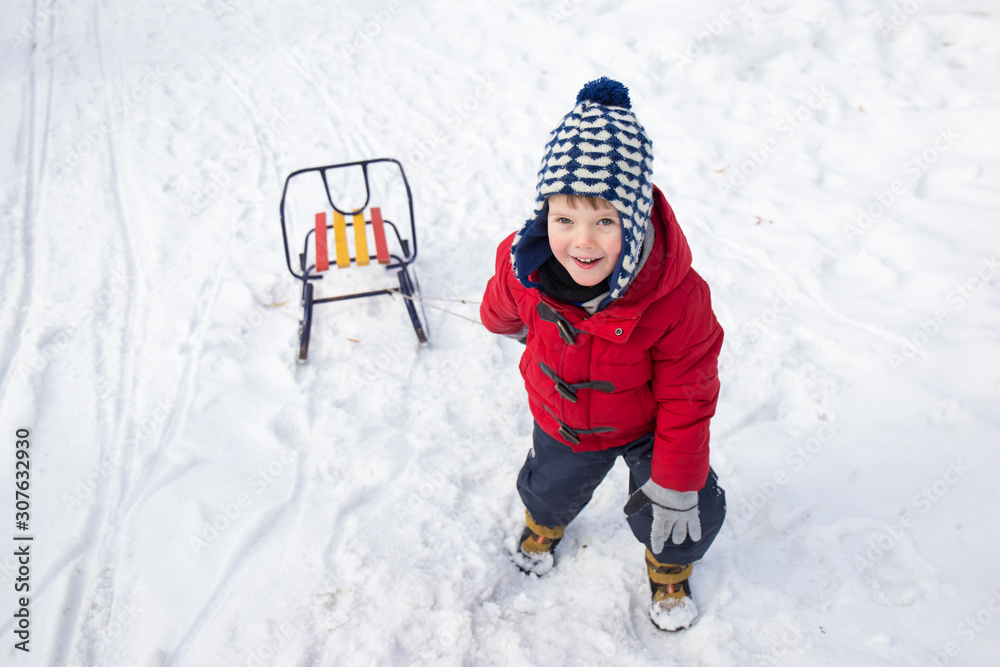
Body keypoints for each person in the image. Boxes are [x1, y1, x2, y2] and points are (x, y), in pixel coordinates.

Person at [479, 77, 726, 631]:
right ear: (546, 215)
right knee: (550, 485)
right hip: (562, 418)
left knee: (680, 512)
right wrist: (511, 327)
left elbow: (689, 397)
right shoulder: (523, 262)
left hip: (646, 429)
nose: (582, 243)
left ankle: (668, 566)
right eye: (564, 220)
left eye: (605, 222)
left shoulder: (678, 298)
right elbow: (500, 308)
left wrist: (677, 481)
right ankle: (544, 523)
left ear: (633, 221)